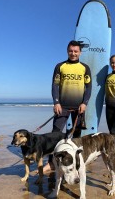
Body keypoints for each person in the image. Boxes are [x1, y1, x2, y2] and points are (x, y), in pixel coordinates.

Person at [43, 40, 92, 172]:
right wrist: (56, 102)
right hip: (62, 107)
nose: (73, 53)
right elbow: (55, 86)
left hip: (79, 108)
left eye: (76, 51)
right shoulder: (60, 66)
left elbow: (88, 87)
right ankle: (52, 163)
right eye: (71, 51)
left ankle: (75, 161)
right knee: (55, 134)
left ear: (80, 52)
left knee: (76, 137)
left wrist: (84, 103)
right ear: (67, 51)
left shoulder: (85, 68)